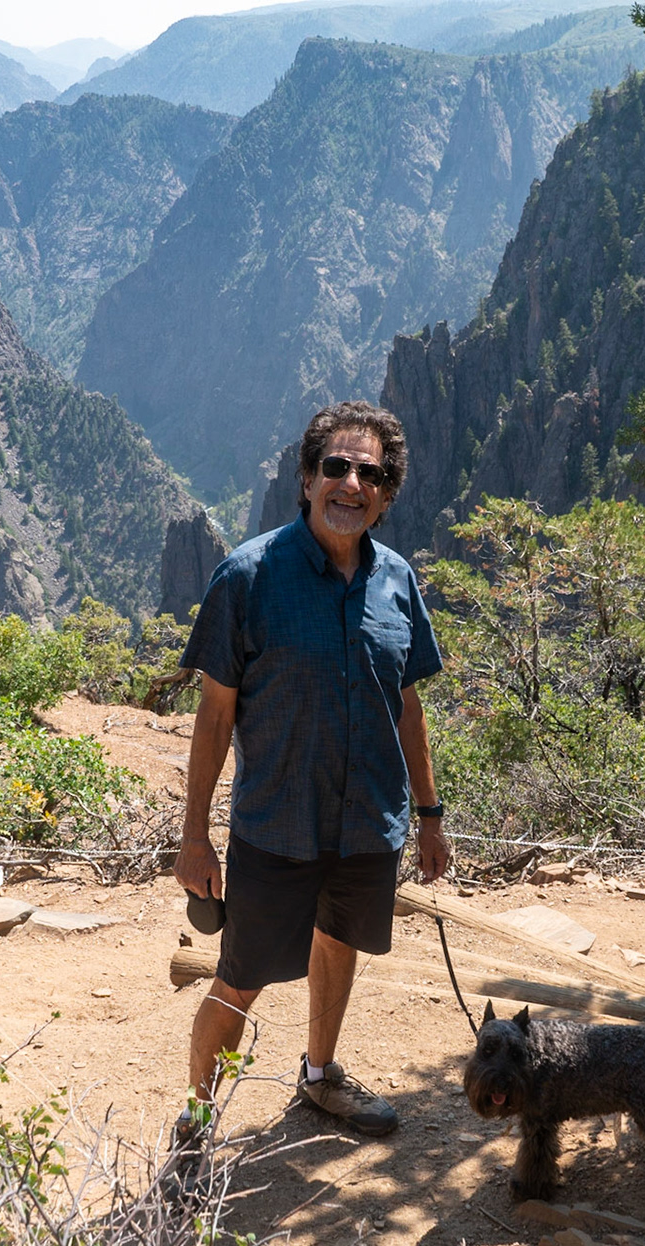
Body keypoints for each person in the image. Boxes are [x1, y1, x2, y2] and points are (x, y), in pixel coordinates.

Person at [173, 401, 450, 1140]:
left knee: (340, 943)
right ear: (306, 478)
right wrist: (194, 836)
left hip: (368, 822)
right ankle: (198, 1125)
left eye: (371, 473)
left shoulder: (397, 581)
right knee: (241, 977)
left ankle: (320, 1078)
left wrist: (429, 815)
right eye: (336, 466)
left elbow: (407, 705)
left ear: (387, 494)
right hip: (278, 823)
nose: (351, 483)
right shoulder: (249, 575)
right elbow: (214, 716)